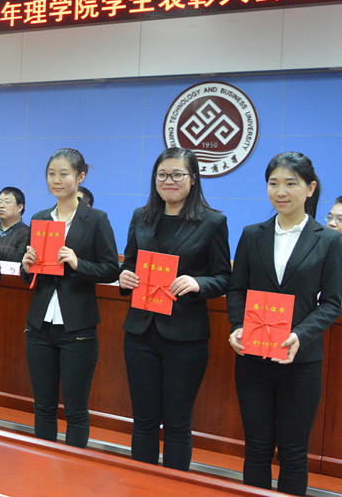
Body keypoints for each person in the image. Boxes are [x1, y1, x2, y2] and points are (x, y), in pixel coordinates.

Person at [228, 152, 342, 496]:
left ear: (310, 188)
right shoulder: (252, 234)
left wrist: (299, 336)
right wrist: (237, 326)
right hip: (253, 359)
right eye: (273, 183)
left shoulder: (329, 240)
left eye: (291, 183)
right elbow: (237, 289)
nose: (281, 191)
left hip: (301, 362)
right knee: (256, 448)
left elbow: (333, 302)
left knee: (293, 453)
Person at [118, 148, 231, 471]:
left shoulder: (213, 222)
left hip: (186, 336)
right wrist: (124, 277)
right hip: (140, 332)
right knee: (143, 420)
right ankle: (141, 487)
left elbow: (224, 277)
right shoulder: (141, 216)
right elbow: (129, 264)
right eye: (162, 174)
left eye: (177, 174)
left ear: (193, 179)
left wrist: (198, 284)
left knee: (178, 424)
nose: (169, 181)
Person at [21, 148, 119, 447]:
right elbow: (29, 275)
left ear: (80, 177)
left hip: (77, 327)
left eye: (64, 174)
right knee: (43, 406)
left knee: (75, 410)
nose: (56, 180)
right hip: (39, 326)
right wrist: (26, 266)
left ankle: (73, 468)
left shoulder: (96, 219)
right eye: (51, 174)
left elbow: (110, 269)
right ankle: (42, 464)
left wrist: (78, 264)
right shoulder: (39, 218)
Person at [0, 186, 30, 262]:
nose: (1, 206)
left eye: (7, 202)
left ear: (20, 207)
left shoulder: (26, 233)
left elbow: (21, 259)